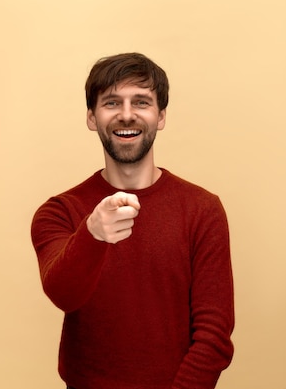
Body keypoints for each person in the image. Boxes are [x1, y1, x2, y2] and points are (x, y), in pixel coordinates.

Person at [31, 52, 234, 389]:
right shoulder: (59, 212)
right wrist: (92, 235)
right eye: (112, 103)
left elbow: (214, 335)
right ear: (92, 117)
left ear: (161, 116)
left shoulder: (203, 209)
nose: (127, 115)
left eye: (141, 102)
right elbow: (62, 295)